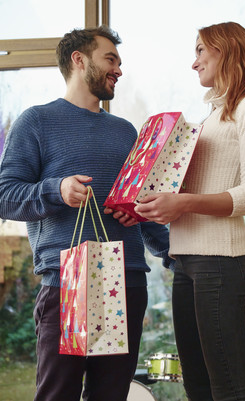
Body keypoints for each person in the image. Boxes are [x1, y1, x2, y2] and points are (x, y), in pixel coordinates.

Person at [0, 25, 173, 401]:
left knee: (111, 396)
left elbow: (142, 202)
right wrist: (57, 189)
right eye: (110, 59)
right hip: (67, 283)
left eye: (120, 62)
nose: (119, 70)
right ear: (79, 60)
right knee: (57, 394)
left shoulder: (126, 131)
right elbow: (6, 196)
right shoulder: (36, 122)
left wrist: (174, 253)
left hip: (126, 282)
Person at [133, 22, 245, 401]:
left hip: (221, 263)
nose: (193, 62)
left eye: (200, 51)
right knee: (197, 387)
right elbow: (194, 191)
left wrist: (182, 203)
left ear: (226, 50)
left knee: (228, 390)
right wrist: (151, 201)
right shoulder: (209, 120)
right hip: (185, 262)